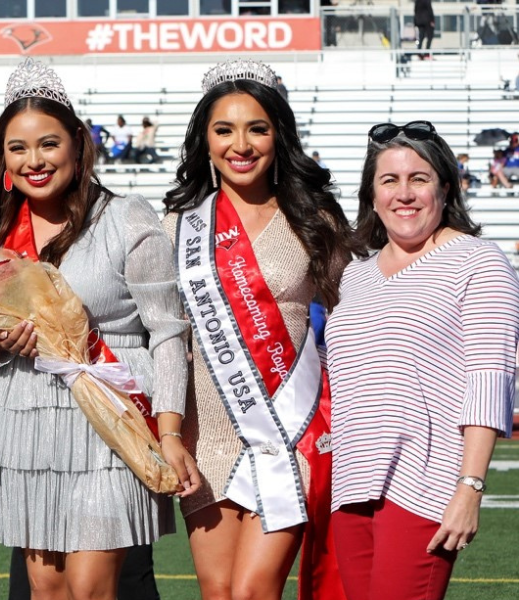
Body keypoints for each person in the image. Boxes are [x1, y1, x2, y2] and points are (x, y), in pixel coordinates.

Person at [0, 59, 195, 600]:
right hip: (28, 421)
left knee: (92, 590)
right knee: (47, 591)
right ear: (2, 158)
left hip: (110, 415)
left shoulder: (127, 218)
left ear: (76, 145)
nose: (34, 160)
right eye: (18, 148)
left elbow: (167, 332)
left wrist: (169, 432)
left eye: (48, 144)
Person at [163, 60, 357, 600]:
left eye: (257, 128)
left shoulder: (315, 220)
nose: (240, 144)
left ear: (280, 136)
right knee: (219, 590)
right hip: (207, 440)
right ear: (204, 140)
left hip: (289, 433)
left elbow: (353, 315)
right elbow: (163, 333)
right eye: (224, 130)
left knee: (252, 591)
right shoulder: (177, 228)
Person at [325, 120, 518, 600]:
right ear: (372, 195)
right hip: (350, 483)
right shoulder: (355, 276)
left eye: (419, 178)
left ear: (445, 187)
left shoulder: (480, 261)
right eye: (389, 180)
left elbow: (489, 379)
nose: (404, 194)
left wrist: (470, 487)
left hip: (424, 482)